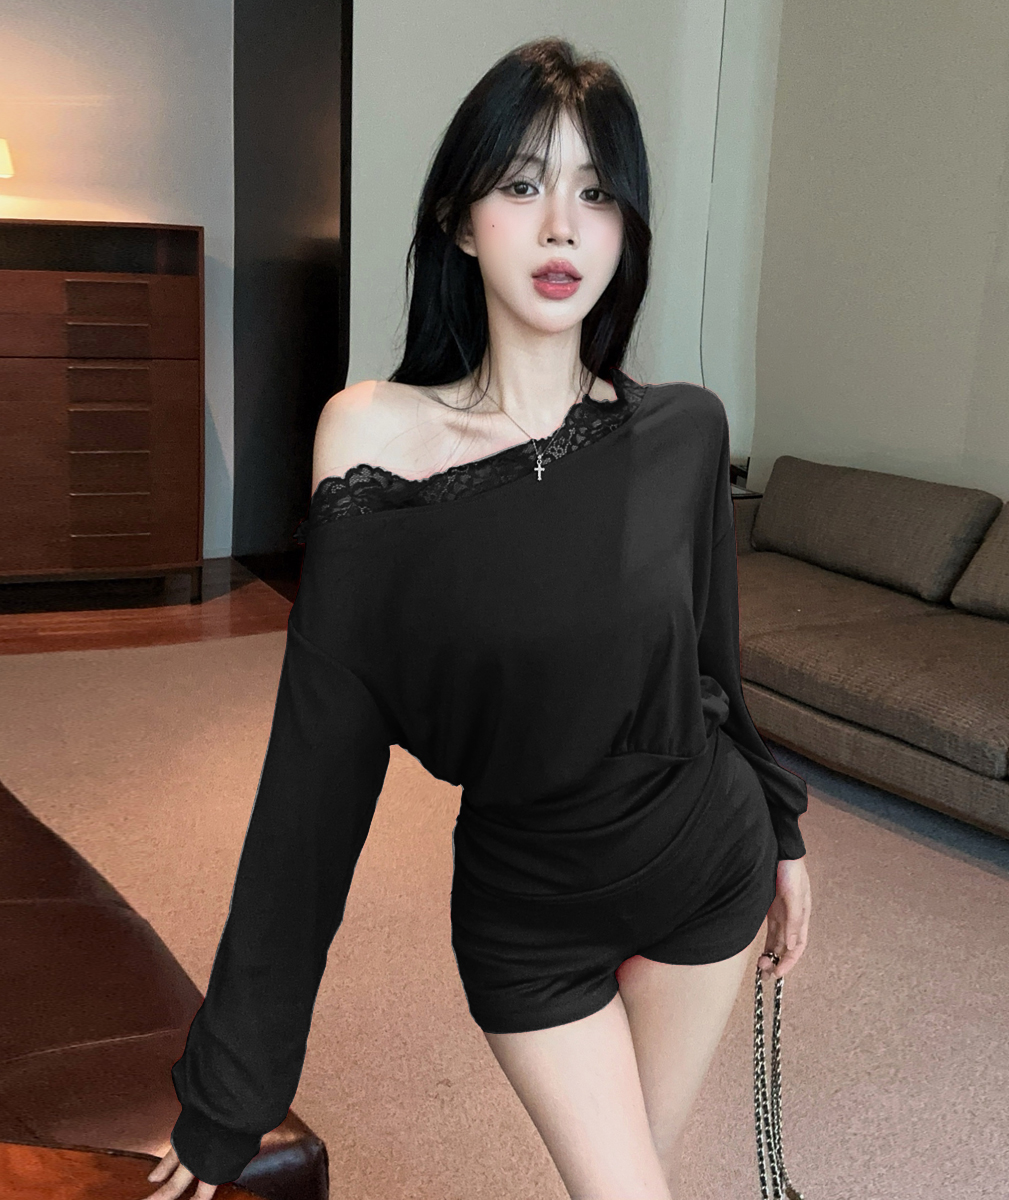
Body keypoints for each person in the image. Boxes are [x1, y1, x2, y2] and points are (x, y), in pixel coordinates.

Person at [145, 35, 812, 1200]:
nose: (562, 228)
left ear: (627, 230)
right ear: (460, 220)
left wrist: (784, 833)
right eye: (523, 184)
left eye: (596, 194)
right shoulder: (372, 439)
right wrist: (228, 1101)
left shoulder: (686, 432)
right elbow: (314, 781)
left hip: (707, 864)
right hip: (530, 915)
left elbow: (715, 666)